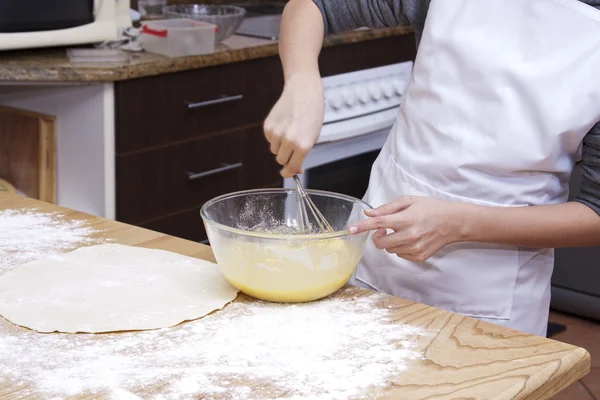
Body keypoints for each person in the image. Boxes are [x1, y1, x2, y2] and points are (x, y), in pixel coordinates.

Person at [263, 0, 600, 337]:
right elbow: (314, 6)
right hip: (375, 262)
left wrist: (459, 224)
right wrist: (301, 81)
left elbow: (595, 213)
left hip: (492, 297)